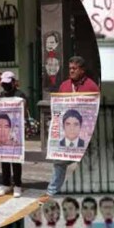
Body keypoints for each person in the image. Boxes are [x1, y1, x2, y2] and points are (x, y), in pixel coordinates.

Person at [46, 56, 100, 197]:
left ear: (82, 70)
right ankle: (52, 192)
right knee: (59, 162)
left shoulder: (91, 86)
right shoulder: (64, 85)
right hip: (66, 133)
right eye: (70, 68)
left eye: (74, 68)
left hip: (85, 134)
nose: (71, 71)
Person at [0, 71, 28, 198]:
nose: (5, 86)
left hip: (16, 132)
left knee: (15, 159)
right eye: (4, 83)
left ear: (14, 82)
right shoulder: (1, 94)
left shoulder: (20, 95)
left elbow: (24, 112)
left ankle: (18, 185)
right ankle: (6, 184)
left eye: (8, 83)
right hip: (3, 133)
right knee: (4, 158)